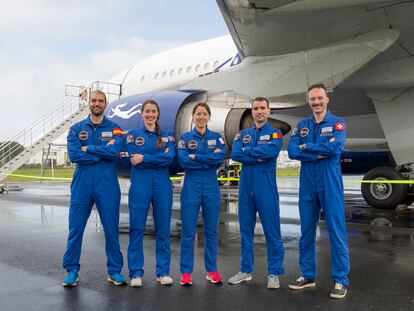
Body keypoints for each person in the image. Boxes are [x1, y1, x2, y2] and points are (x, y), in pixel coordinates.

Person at [287, 83, 350, 299]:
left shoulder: (337, 123)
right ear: (308, 101)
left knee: (336, 230)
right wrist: (316, 151)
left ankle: (340, 279)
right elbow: (293, 151)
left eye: (320, 98)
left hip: (329, 180)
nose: (316, 102)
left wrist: (307, 147)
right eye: (313, 99)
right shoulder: (301, 125)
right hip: (307, 182)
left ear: (327, 99)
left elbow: (336, 148)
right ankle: (307, 275)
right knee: (306, 230)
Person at [62, 90, 126, 287]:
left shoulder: (116, 129)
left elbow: (114, 151)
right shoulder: (76, 129)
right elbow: (74, 155)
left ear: (105, 104)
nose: (97, 103)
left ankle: (114, 271)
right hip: (83, 183)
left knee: (111, 229)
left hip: (107, 184)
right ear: (89, 103)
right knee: (75, 229)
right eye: (94, 100)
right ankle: (72, 270)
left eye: (101, 101)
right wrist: (102, 154)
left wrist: (88, 148)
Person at [228, 97, 284, 289]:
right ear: (252, 111)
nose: (259, 111)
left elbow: (271, 153)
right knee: (245, 231)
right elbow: (236, 154)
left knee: (272, 231)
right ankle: (245, 271)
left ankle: (274, 273)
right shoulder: (241, 135)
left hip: (265, 186)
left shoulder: (275, 134)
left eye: (262, 108)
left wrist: (248, 152)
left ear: (268, 111)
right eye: (256, 108)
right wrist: (257, 154)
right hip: (245, 188)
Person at [126, 100, 175, 287]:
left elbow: (169, 158)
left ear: (158, 114)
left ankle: (162, 272)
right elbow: (133, 158)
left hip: (162, 185)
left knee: (163, 229)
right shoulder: (132, 135)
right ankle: (136, 272)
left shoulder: (168, 136)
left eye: (153, 111)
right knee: (137, 228)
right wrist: (157, 159)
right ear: (142, 113)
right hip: (140, 184)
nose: (150, 114)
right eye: (147, 111)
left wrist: (145, 157)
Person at [177, 103, 226, 286]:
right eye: (198, 114)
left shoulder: (217, 138)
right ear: (193, 116)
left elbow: (219, 158)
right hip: (191, 186)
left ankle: (211, 271)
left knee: (211, 231)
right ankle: (186, 273)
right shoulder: (185, 138)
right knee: (188, 231)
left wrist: (195, 157)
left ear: (209, 116)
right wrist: (207, 160)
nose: (201, 117)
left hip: (211, 186)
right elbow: (182, 160)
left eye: (204, 114)